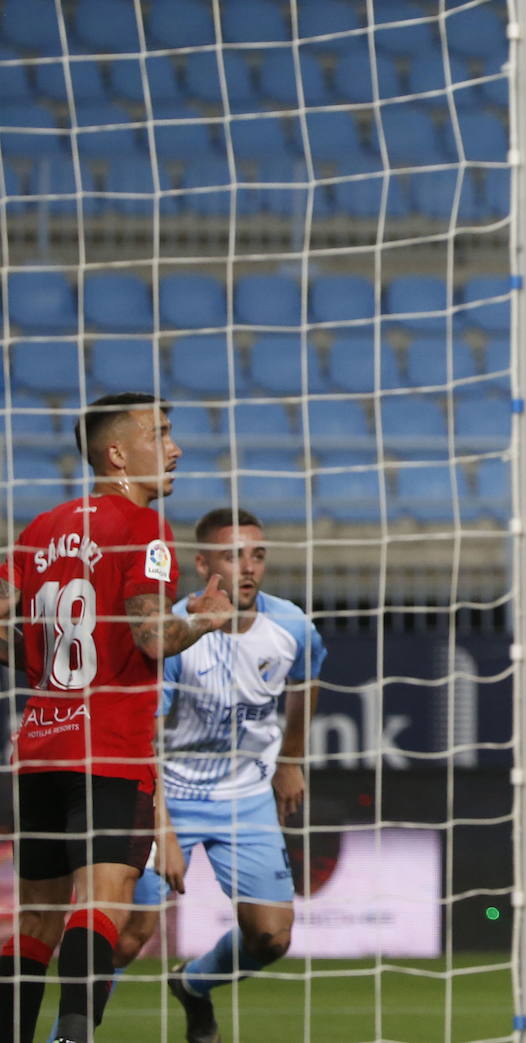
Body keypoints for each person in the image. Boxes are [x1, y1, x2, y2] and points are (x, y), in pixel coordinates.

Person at [0, 392, 232, 1043]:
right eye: (159, 433)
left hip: (39, 746)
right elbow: (154, 636)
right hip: (110, 745)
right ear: (117, 452)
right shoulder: (145, 528)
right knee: (102, 901)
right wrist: (205, 621)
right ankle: (75, 1037)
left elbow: (9, 633)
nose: (175, 446)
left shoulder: (36, 529)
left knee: (37, 920)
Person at [84, 507, 324, 1043]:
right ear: (201, 564)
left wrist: (290, 759)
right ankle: (67, 1034)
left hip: (245, 795)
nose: (247, 568)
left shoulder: (290, 626)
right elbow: (143, 736)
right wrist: (163, 829)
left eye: (257, 555)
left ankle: (193, 986)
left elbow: (308, 678)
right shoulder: (169, 635)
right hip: (165, 793)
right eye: (232, 555)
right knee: (128, 934)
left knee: (270, 939)